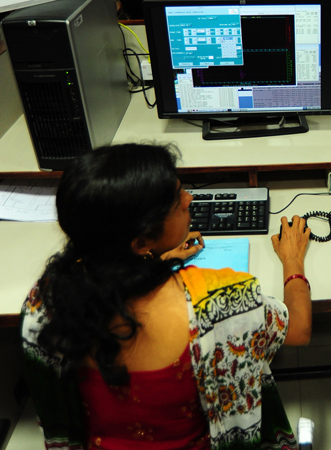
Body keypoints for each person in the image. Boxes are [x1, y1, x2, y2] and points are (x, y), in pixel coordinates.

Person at [20, 143, 312, 450]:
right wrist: (293, 260)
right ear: (141, 241)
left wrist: (154, 258)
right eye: (176, 200)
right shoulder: (219, 301)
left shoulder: (46, 299)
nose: (189, 199)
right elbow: (299, 328)